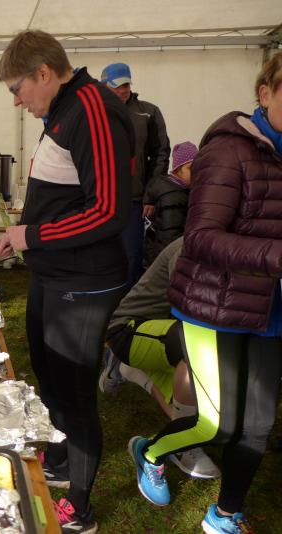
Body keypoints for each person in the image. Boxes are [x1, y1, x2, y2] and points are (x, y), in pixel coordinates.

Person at [128, 55, 282, 534]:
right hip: (213, 307)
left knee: (257, 426)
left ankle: (225, 514)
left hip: (270, 312)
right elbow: (201, 238)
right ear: (265, 93)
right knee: (216, 423)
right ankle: (150, 453)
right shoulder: (229, 149)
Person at [0, 30, 134, 534]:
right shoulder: (64, 110)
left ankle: (81, 505)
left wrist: (32, 234)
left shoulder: (92, 109)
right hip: (55, 271)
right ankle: (63, 456)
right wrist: (23, 234)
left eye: (18, 89)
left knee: (74, 389)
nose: (16, 101)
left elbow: (109, 210)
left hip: (85, 279)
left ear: (44, 73)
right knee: (48, 373)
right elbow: (65, 196)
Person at [100, 237, 220, 479]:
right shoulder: (192, 247)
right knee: (197, 346)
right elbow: (189, 312)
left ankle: (130, 370)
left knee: (206, 394)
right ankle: (184, 445)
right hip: (129, 329)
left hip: (167, 334)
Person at [101, 62, 170, 288]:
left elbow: (160, 154)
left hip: (134, 201)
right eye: (117, 86)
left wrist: (151, 195)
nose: (123, 90)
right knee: (101, 255)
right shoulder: (92, 113)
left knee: (132, 256)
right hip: (99, 201)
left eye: (126, 85)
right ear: (104, 85)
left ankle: (129, 303)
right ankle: (104, 301)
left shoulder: (148, 112)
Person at [143, 141, 197, 266]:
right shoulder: (173, 196)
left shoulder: (177, 188)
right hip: (166, 260)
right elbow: (170, 236)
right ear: (178, 169)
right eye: (190, 168)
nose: (196, 172)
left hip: (160, 255)